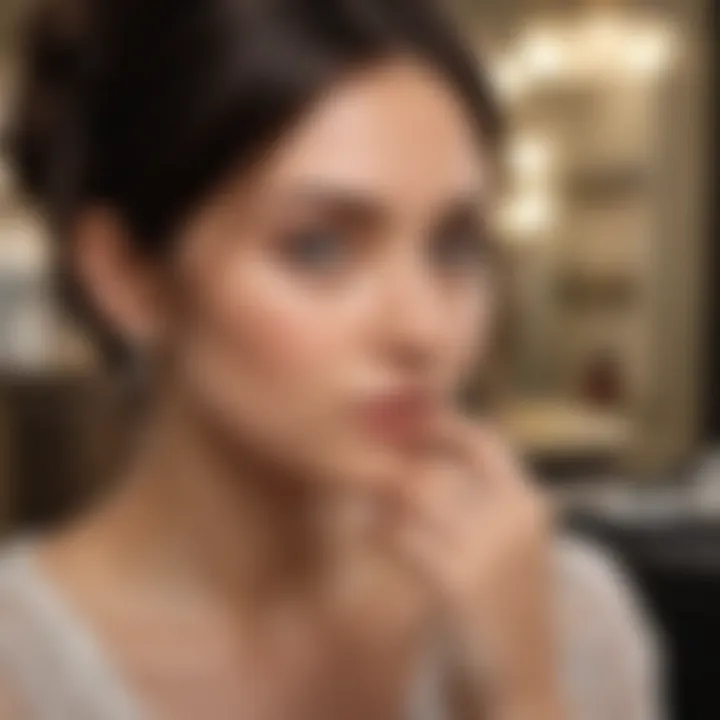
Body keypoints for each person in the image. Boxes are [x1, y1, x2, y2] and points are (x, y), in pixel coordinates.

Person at [0, 0, 661, 718]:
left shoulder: (566, 620)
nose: (423, 329)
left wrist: (520, 696)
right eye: (319, 248)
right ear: (125, 274)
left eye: (454, 245)